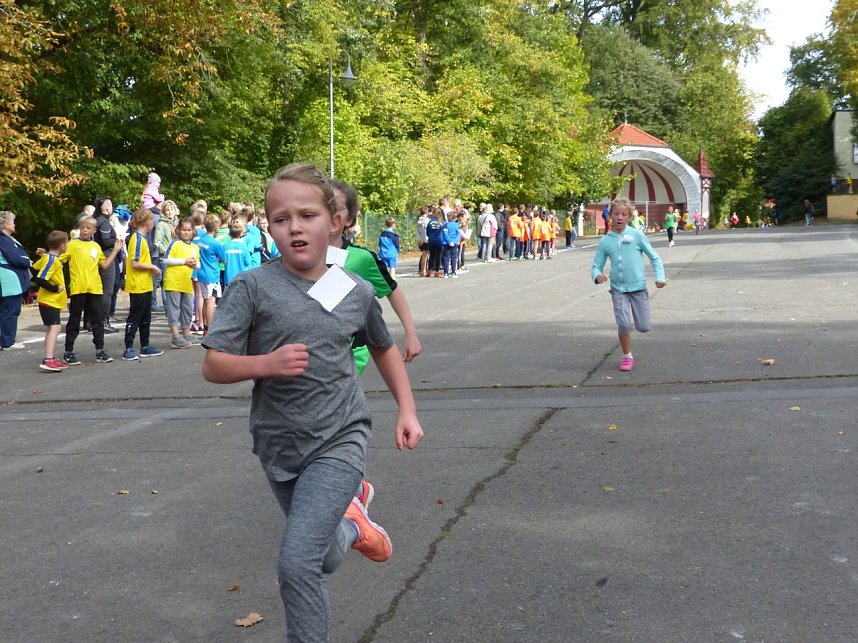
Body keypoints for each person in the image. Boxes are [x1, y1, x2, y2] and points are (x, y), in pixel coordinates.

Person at [201, 163, 423, 642]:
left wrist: (406, 409)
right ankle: (353, 522)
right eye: (281, 219)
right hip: (279, 444)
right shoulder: (252, 288)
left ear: (335, 221)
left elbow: (382, 346)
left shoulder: (353, 289)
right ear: (269, 226)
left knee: (298, 562)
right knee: (322, 554)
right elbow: (213, 364)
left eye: (307, 215)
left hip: (340, 437)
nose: (295, 227)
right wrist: (266, 364)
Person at [329, 179, 422, 367]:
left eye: (335, 207)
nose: (327, 212)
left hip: (349, 356)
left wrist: (411, 334)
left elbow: (392, 290)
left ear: (349, 220)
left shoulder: (361, 258)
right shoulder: (296, 256)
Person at [591, 196, 667, 372]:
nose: (619, 217)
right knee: (624, 324)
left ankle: (640, 324)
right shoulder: (605, 241)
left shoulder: (637, 235)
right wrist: (597, 275)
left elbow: (654, 257)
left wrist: (660, 277)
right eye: (616, 213)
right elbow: (596, 265)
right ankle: (627, 356)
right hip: (618, 289)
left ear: (629, 217)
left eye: (623, 214)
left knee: (644, 327)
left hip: (638, 287)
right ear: (610, 216)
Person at [58, 215, 124, 364]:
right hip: (78, 288)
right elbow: (59, 260)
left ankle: (100, 350)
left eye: (88, 228)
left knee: (97, 320)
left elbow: (105, 265)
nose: (85, 230)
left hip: (94, 288)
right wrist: (48, 255)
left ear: (94, 230)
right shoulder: (73, 245)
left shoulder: (95, 246)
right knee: (74, 320)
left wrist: (115, 250)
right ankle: (68, 352)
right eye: (82, 228)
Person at [122, 209, 164, 360]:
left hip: (145, 284)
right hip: (138, 285)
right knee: (135, 316)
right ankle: (128, 347)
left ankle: (145, 345)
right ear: (148, 223)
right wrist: (152, 267)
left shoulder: (142, 238)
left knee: (146, 316)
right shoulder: (137, 239)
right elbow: (135, 263)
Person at [31, 231, 69, 370]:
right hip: (49, 299)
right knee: (55, 327)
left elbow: (34, 268)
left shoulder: (49, 257)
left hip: (52, 300)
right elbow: (40, 279)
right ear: (63, 245)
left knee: (52, 328)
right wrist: (54, 288)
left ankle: (50, 356)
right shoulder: (52, 260)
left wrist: (44, 254)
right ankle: (48, 359)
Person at [163, 218, 200, 348]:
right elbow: (166, 260)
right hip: (173, 281)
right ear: (179, 230)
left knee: (188, 308)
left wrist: (195, 264)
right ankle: (175, 335)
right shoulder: (175, 244)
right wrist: (184, 261)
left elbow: (198, 264)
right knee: (174, 309)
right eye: (184, 230)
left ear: (193, 231)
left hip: (186, 282)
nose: (186, 232)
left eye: (189, 230)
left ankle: (186, 332)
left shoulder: (195, 247)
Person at [0, 211, 32, 351]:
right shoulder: (4, 240)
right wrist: (28, 262)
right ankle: (8, 342)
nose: (14, 224)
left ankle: (5, 340)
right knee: (10, 311)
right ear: (6, 224)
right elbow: (16, 258)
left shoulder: (6, 239)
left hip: (8, 280)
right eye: (12, 222)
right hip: (9, 281)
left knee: (7, 310)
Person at [194, 214, 228, 336]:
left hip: (200, 273)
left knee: (204, 299)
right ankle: (210, 329)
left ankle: (204, 326)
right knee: (211, 302)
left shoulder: (199, 239)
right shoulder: (215, 244)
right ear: (217, 228)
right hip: (211, 275)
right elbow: (224, 260)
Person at [93, 196, 120, 333]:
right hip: (107, 255)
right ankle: (103, 321)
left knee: (102, 290)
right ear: (105, 208)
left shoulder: (98, 221)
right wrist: (118, 241)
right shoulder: (103, 222)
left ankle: (95, 321)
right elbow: (104, 241)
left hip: (100, 254)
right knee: (107, 290)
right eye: (110, 204)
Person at [223, 218, 252, 287]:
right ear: (241, 234)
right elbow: (248, 262)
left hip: (228, 277)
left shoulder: (225, 246)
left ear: (229, 234)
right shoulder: (243, 247)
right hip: (241, 277)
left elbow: (222, 260)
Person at [426, 207, 445, 278]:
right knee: (438, 257)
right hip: (440, 241)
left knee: (431, 256)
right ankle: (437, 272)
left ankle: (429, 271)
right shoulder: (442, 223)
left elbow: (427, 232)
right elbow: (444, 232)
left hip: (431, 241)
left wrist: (431, 236)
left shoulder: (430, 222)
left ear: (433, 213)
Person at [416, 206, 430, 277]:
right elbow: (425, 231)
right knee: (426, 255)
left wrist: (419, 239)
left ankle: (422, 270)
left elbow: (418, 232)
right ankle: (423, 270)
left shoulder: (418, 221)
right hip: (426, 239)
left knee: (424, 255)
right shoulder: (427, 220)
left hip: (421, 239)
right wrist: (425, 238)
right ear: (427, 212)